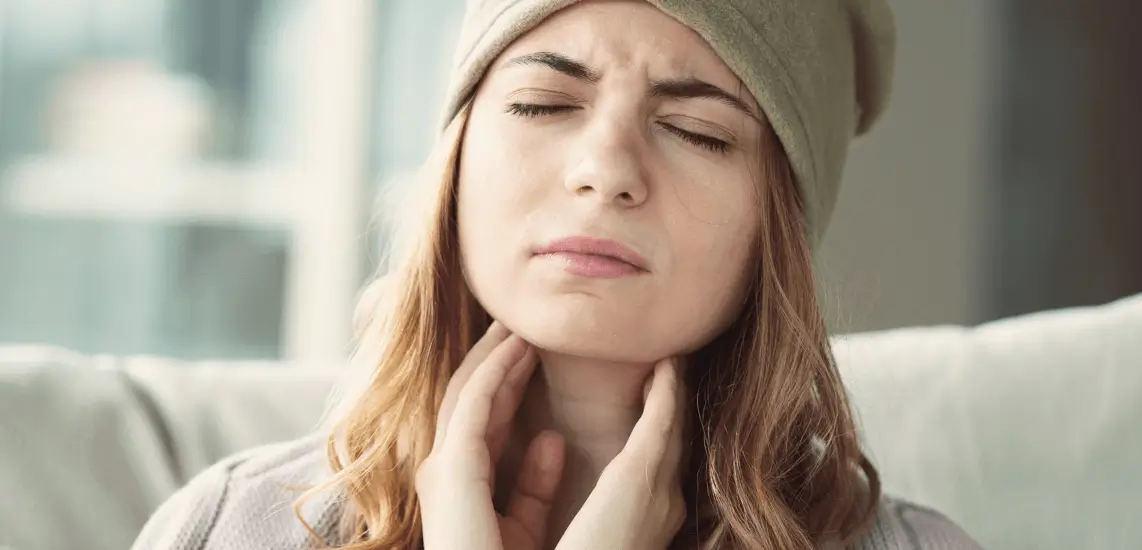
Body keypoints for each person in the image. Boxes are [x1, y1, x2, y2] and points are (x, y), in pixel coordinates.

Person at [132, 0, 983, 548]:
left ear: (781, 229)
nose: (605, 168)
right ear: (458, 159)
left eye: (696, 129)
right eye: (544, 104)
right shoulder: (228, 529)